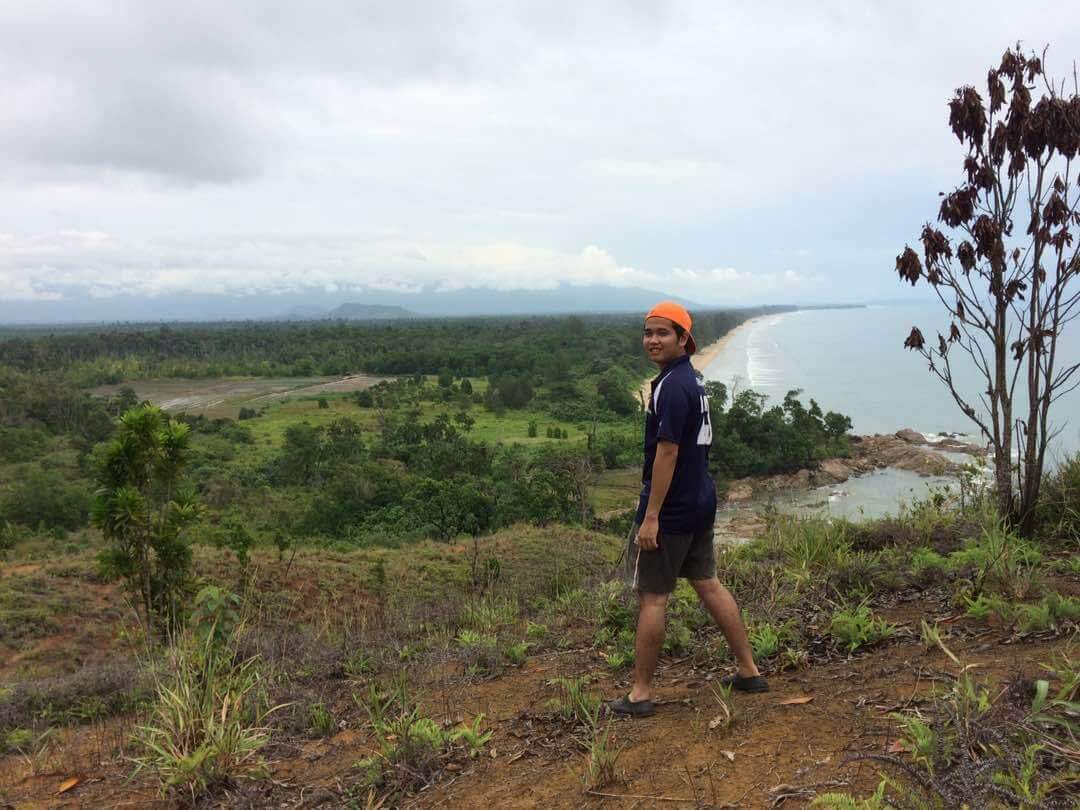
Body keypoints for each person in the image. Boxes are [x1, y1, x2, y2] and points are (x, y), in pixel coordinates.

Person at [608, 301, 767, 718]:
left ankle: (640, 694)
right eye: (648, 332)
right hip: (701, 500)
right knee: (708, 583)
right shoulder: (690, 382)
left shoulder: (671, 387)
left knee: (652, 598)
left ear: (683, 339)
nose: (653, 340)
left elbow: (668, 451)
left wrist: (652, 515)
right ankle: (749, 671)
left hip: (674, 510)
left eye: (663, 333)